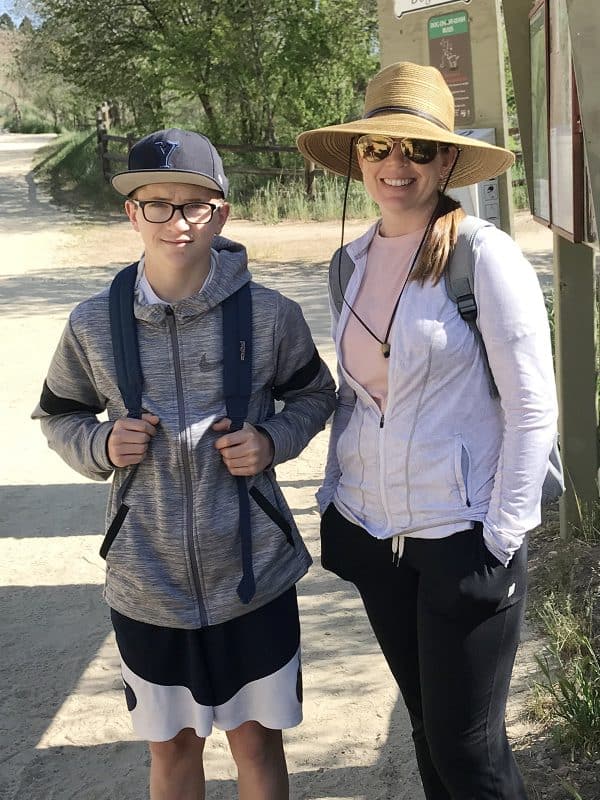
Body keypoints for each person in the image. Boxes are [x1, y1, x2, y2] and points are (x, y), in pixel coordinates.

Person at [32, 128, 335, 800]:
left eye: (194, 204)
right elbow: (58, 414)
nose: (176, 220)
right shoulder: (90, 325)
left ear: (220, 212)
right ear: (132, 214)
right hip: (147, 583)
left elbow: (316, 394)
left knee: (257, 745)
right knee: (170, 750)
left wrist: (272, 440)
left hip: (251, 575)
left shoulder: (270, 315)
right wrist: (100, 446)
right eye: (157, 204)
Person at [297, 62, 558, 799]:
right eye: (378, 147)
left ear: (447, 160)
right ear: (358, 158)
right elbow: (356, 394)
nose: (395, 164)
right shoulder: (347, 264)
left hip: (462, 538)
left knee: (469, 754)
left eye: (416, 149)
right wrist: (330, 495)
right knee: (425, 735)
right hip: (374, 535)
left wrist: (501, 535)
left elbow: (534, 406)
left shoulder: (483, 256)